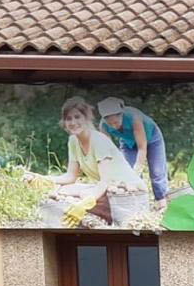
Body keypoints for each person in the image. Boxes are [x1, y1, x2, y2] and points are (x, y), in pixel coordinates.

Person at [26, 97, 143, 227]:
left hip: (127, 192)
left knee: (82, 194)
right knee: (64, 190)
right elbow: (70, 177)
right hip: (108, 190)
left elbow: (106, 181)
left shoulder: (98, 140)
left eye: (77, 117)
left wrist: (86, 202)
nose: (73, 122)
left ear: (86, 118)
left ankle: (96, 217)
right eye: (68, 118)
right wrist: (41, 178)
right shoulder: (73, 141)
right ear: (64, 123)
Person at [97, 97, 169, 203]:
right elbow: (110, 152)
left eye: (116, 122)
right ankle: (138, 201)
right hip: (128, 143)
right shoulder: (103, 125)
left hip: (152, 139)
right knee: (128, 172)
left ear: (121, 114)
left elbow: (142, 148)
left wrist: (137, 169)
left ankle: (161, 200)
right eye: (110, 123)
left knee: (157, 172)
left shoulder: (134, 117)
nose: (113, 126)